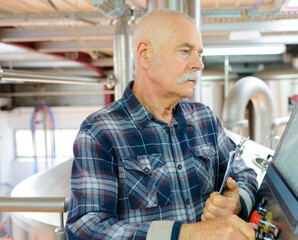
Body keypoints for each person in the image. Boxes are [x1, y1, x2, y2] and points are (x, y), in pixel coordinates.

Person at [65, 9, 257, 240]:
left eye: (199, 53)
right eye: (185, 51)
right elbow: (86, 227)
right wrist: (187, 234)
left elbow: (245, 175)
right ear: (145, 54)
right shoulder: (100, 132)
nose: (199, 64)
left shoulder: (204, 119)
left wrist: (234, 203)